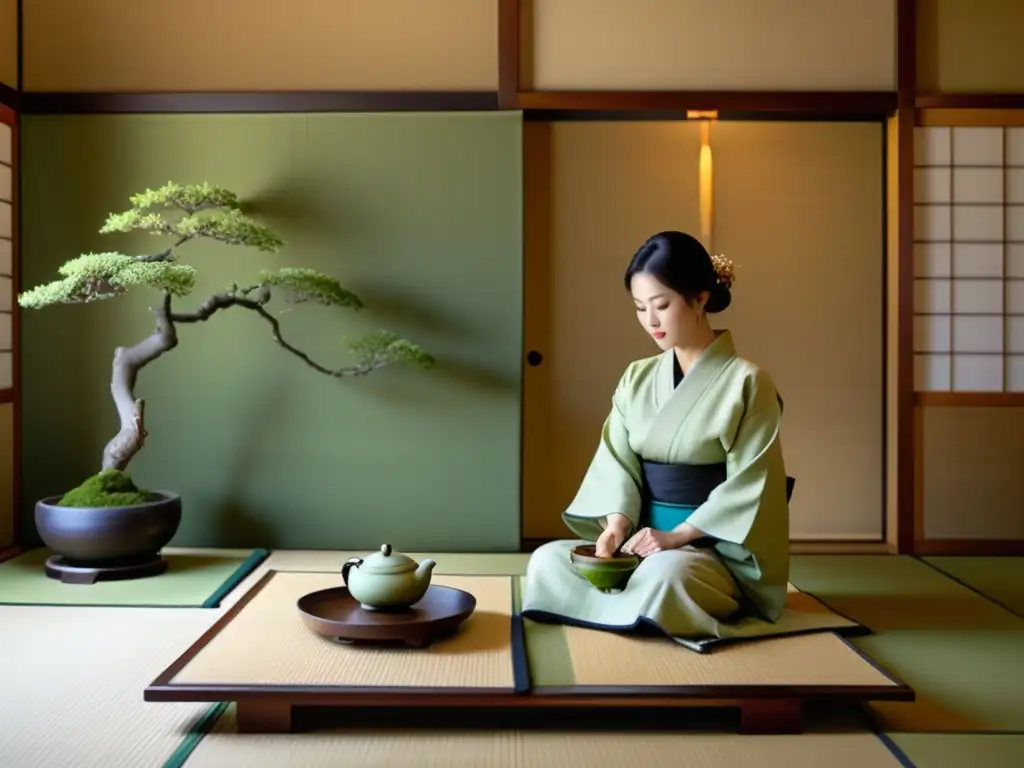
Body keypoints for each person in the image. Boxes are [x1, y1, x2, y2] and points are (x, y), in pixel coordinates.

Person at [520, 231, 831, 652]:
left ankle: (627, 604)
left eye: (662, 306)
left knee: (666, 577)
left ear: (700, 298)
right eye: (639, 308)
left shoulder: (747, 382)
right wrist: (616, 526)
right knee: (546, 562)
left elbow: (754, 483)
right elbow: (616, 460)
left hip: (710, 551)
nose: (651, 321)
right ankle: (635, 610)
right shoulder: (637, 376)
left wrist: (675, 537)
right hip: (639, 542)